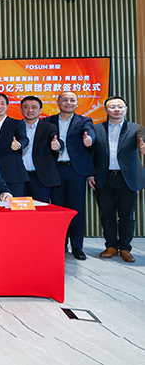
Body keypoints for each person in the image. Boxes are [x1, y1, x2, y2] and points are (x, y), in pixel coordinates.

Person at [88, 96, 145, 263]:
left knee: (127, 215)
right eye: (112, 107)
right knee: (107, 214)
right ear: (106, 110)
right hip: (104, 177)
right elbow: (92, 154)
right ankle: (111, 246)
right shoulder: (97, 129)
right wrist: (90, 174)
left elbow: (142, 141)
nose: (116, 109)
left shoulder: (137, 128)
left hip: (127, 178)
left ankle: (125, 248)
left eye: (120, 106)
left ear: (126, 109)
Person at [44, 91, 96, 260]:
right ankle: (60, 244)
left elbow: (90, 132)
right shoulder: (47, 121)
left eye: (72, 100)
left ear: (77, 103)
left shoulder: (84, 121)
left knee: (76, 209)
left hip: (75, 171)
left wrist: (90, 139)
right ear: (58, 102)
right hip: (55, 170)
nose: (68, 102)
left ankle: (77, 246)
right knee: (58, 209)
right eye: (64, 99)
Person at [20, 96, 62, 203]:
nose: (30, 110)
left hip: (40, 178)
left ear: (40, 110)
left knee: (41, 209)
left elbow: (57, 139)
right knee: (18, 210)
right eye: (26, 107)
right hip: (19, 177)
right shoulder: (14, 127)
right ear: (21, 109)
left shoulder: (49, 127)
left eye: (34, 107)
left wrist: (57, 145)